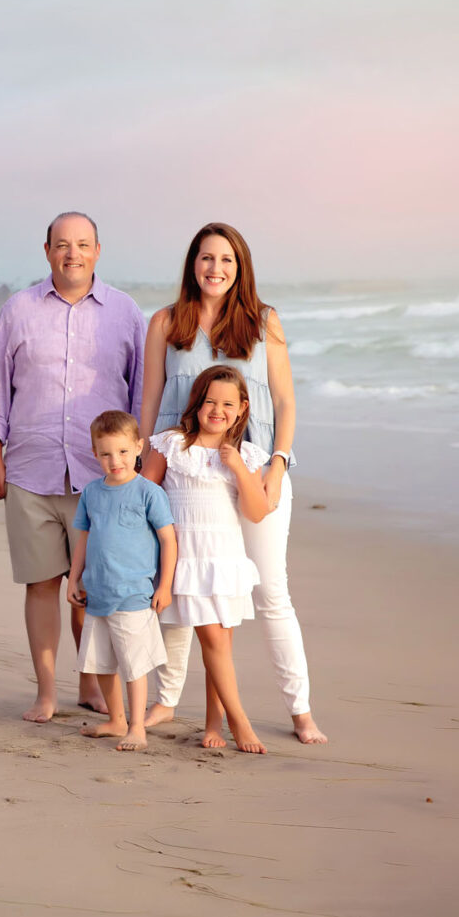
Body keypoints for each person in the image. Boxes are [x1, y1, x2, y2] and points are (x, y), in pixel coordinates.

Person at [139, 222, 327, 744]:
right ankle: (166, 702)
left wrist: (280, 463)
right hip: (184, 477)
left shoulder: (265, 322)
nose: (214, 268)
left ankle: (299, 711)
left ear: (240, 267)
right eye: (205, 258)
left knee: (270, 590)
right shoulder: (164, 324)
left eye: (226, 259)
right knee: (182, 590)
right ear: (191, 264)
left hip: (255, 472)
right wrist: (142, 478)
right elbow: (150, 403)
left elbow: (286, 401)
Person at [0, 212, 146, 723]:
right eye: (62, 244)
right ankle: (47, 691)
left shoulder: (125, 313)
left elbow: (140, 394)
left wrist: (138, 471)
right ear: (47, 250)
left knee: (93, 587)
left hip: (103, 478)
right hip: (31, 470)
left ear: (98, 250)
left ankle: (92, 686)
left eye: (82, 244)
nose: (72, 253)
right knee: (42, 585)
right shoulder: (18, 310)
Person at [148, 365, 272, 754]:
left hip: (225, 559)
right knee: (214, 642)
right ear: (197, 403)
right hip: (188, 558)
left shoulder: (245, 455)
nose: (217, 410)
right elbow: (145, 494)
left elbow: (256, 511)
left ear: (241, 409)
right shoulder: (170, 445)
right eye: (210, 401)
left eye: (227, 404)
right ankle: (241, 723)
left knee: (220, 648)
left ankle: (212, 724)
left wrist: (236, 466)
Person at [65, 410, 175, 753]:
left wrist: (165, 585)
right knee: (101, 663)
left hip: (133, 594)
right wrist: (74, 577)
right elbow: (83, 537)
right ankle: (116, 720)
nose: (116, 461)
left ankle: (137, 725)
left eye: (124, 452)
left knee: (133, 664)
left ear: (139, 447)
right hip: (97, 593)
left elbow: (169, 539)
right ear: (95, 454)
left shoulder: (149, 493)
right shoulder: (92, 493)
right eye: (106, 454)